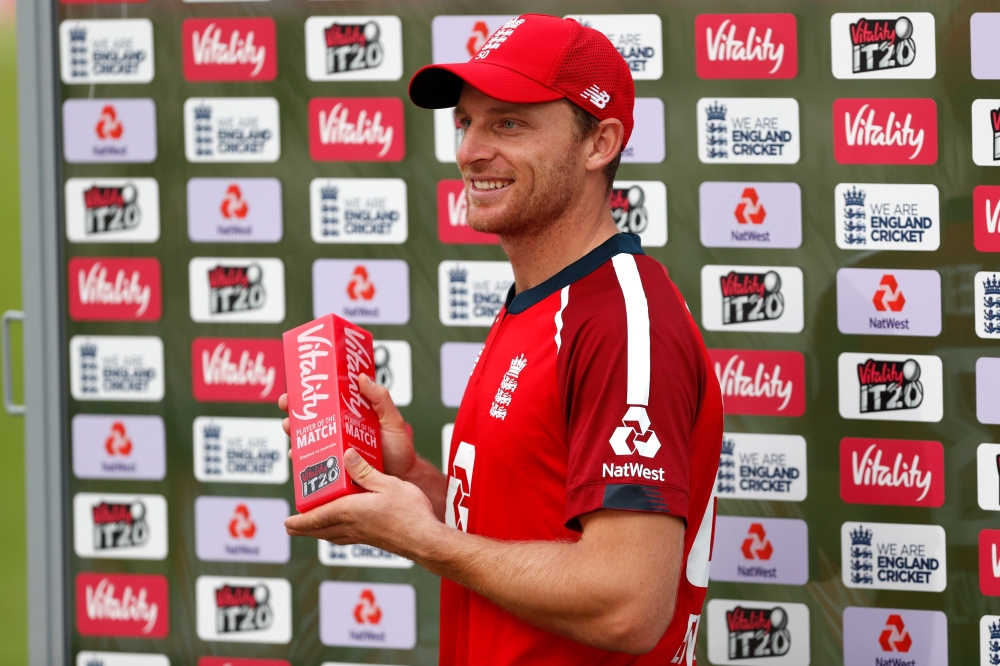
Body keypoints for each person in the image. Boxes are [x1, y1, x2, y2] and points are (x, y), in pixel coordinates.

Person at [281, 14, 723, 665]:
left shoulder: (622, 319)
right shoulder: (539, 300)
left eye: (508, 123)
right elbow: (526, 532)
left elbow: (628, 603)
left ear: (599, 143)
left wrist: (424, 543)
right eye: (466, 121)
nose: (469, 150)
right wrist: (415, 487)